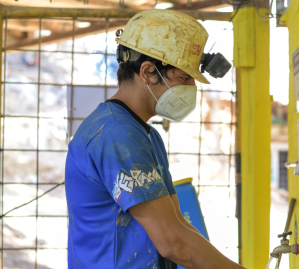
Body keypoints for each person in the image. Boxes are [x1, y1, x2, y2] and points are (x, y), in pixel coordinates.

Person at [65, 9, 244, 269]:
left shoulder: (146, 135)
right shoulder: (116, 135)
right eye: (184, 78)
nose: (191, 89)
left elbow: (178, 224)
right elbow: (173, 242)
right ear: (149, 71)